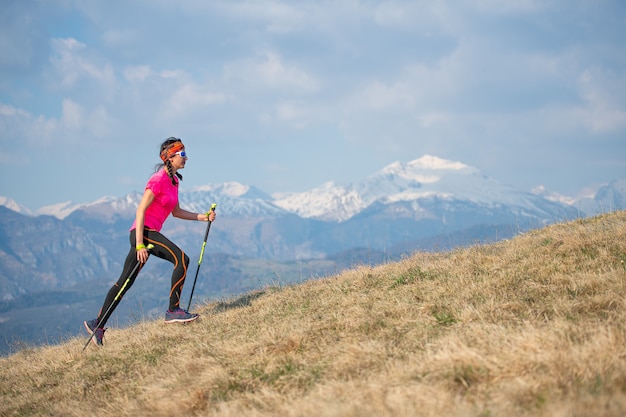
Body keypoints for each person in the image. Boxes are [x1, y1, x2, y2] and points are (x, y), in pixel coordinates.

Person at [84, 137, 216, 347]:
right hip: (143, 233)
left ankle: (97, 324)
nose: (186, 158)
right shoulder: (158, 179)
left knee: (125, 283)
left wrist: (203, 217)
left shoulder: (174, 181)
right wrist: (139, 245)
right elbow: (141, 210)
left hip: (147, 234)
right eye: (182, 154)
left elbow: (176, 211)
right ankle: (173, 311)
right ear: (169, 157)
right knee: (182, 259)